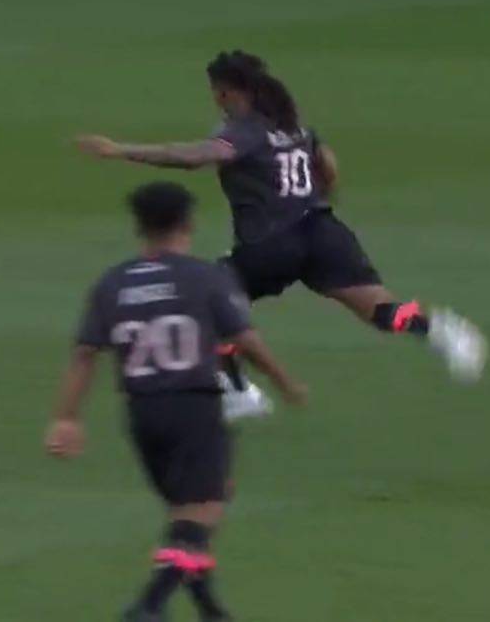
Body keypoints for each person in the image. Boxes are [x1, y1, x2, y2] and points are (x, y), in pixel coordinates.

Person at [76, 50, 486, 384]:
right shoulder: (292, 125)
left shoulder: (243, 130)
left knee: (207, 302)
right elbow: (328, 163)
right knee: (382, 312)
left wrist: (121, 150)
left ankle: (237, 391)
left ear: (224, 91)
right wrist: (321, 197)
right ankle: (442, 331)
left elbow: (194, 157)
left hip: (271, 244)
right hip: (322, 231)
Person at [46, 181, 306, 622]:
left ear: (139, 226)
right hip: (193, 407)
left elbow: (85, 354)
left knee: (193, 510)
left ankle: (211, 609)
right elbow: (245, 340)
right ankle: (150, 604)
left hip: (142, 413)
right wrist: (286, 382)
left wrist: (67, 418)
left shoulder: (113, 283)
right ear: (188, 223)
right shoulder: (204, 276)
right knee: (201, 512)